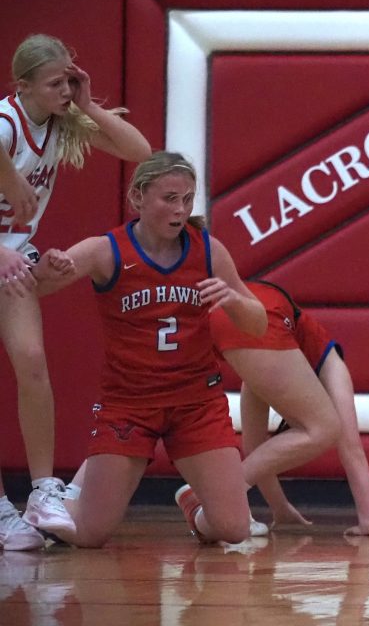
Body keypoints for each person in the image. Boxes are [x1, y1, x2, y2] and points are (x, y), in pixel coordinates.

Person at [32, 151, 266, 547]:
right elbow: (37, 287)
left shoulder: (208, 250)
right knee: (90, 535)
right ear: (138, 197)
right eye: (169, 198)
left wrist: (234, 300)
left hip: (196, 403)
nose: (180, 209)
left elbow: (257, 324)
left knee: (233, 530)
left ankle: (196, 506)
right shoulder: (106, 250)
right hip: (129, 404)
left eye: (187, 199)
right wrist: (47, 267)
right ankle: (41, 511)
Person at [0, 33, 151, 546]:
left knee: (33, 363)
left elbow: (140, 150)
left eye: (70, 77)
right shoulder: (6, 123)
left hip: (12, 262)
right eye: (55, 82)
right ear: (22, 86)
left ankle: (43, 493)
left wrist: (87, 105)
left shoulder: (61, 121)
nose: (65, 88)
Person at [207, 279, 369, 537]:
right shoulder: (330, 363)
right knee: (325, 428)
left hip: (224, 308)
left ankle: (214, 496)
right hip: (264, 310)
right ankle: (214, 496)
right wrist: (368, 521)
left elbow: (255, 449)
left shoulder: (277, 368)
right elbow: (351, 448)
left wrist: (280, 507)